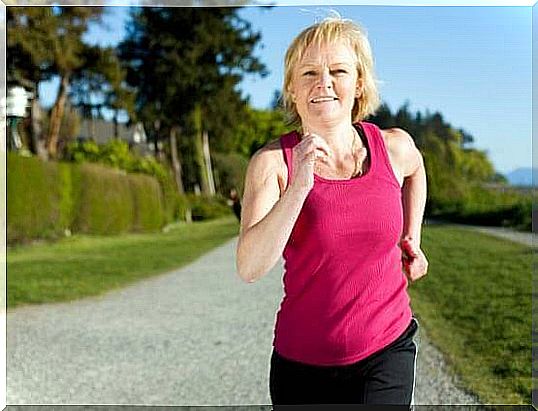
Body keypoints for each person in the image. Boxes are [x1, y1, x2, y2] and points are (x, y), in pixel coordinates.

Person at [236, 15, 428, 408]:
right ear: (291, 87)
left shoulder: (392, 147)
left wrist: (413, 236)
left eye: (337, 70)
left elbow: (416, 169)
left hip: (387, 347)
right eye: (308, 72)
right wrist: (299, 187)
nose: (323, 82)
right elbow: (250, 267)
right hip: (302, 365)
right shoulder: (272, 163)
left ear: (358, 82)